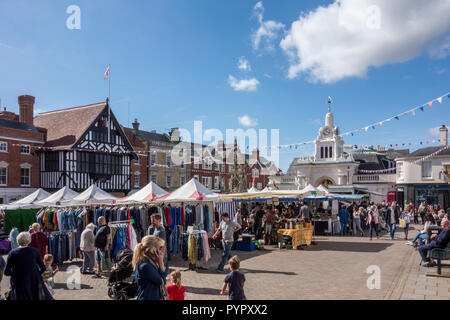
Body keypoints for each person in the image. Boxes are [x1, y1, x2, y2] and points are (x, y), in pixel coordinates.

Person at [3, 232, 52, 300]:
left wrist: (16, 273)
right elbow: (43, 268)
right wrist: (35, 273)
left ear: (18, 240)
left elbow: (6, 272)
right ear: (29, 240)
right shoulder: (35, 251)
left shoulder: (12, 253)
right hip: (34, 282)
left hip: (19, 284)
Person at [133, 235, 167, 300]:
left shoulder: (148, 262)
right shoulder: (146, 266)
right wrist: (161, 262)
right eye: (159, 248)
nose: (160, 251)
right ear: (153, 249)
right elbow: (161, 281)